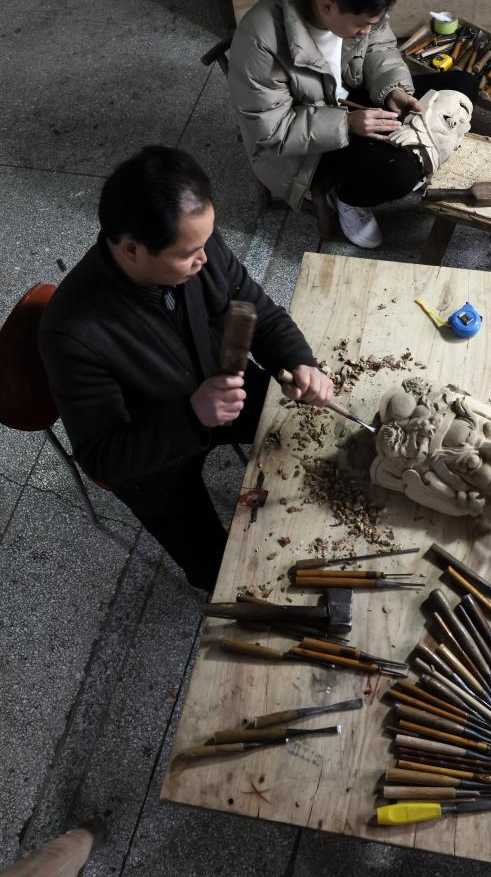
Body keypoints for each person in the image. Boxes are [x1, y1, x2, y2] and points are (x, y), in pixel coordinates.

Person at [39, 146, 334, 594]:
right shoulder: (73, 333)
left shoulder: (198, 244)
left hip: (221, 383)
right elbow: (102, 457)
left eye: (206, 242)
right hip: (155, 453)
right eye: (190, 253)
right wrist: (192, 416)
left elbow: (257, 309)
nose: (204, 259)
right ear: (132, 249)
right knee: (221, 572)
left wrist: (299, 362)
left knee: (315, 446)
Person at [228, 0, 478, 250]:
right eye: (363, 24)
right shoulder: (260, 43)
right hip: (305, 145)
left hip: (349, 97)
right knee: (400, 173)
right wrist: (346, 124)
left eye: (375, 22)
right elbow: (272, 131)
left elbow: (379, 47)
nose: (368, 30)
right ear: (327, 6)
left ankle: (409, 152)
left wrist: (393, 89)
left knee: (463, 85)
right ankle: (348, 198)